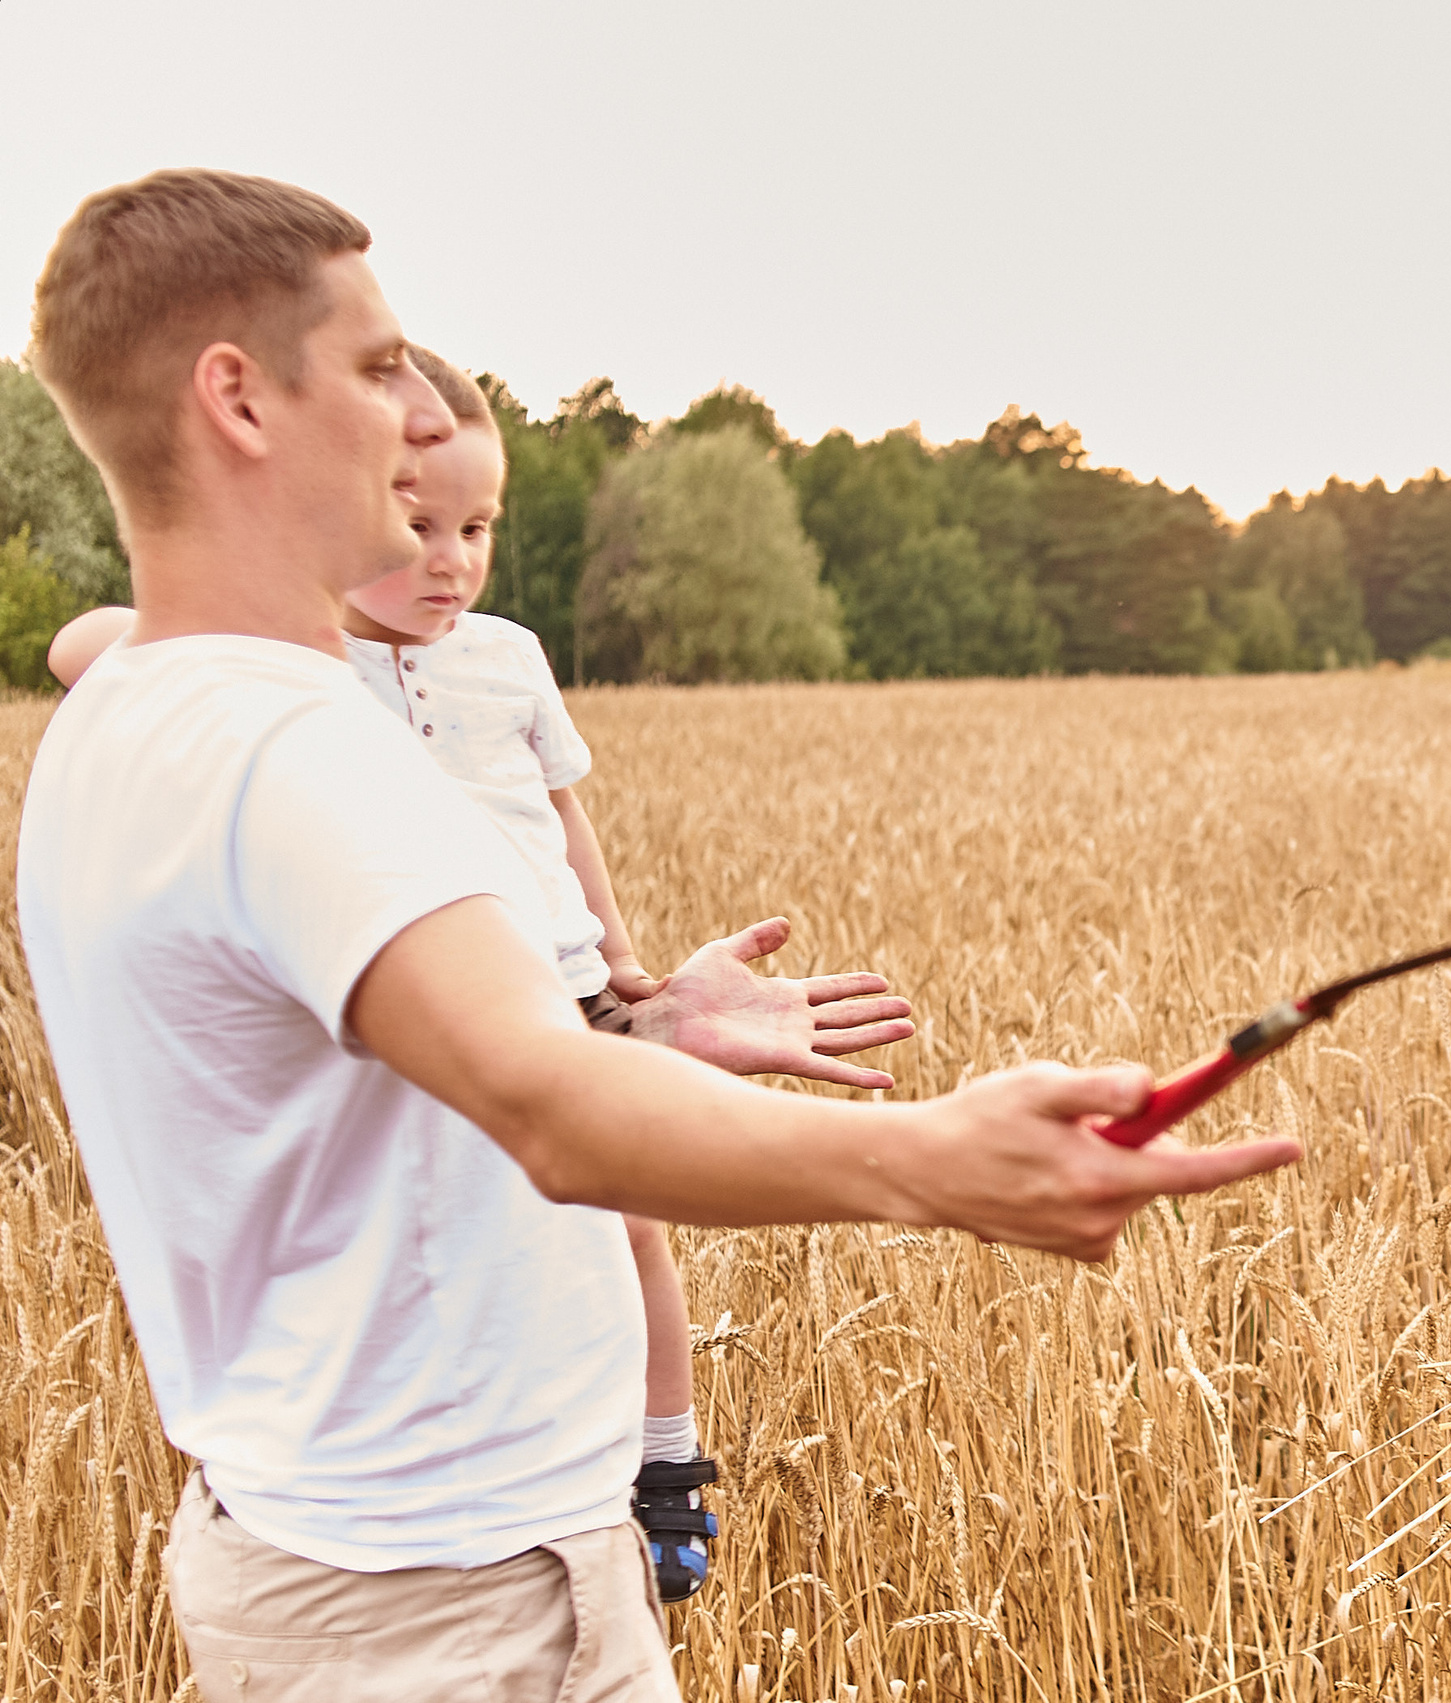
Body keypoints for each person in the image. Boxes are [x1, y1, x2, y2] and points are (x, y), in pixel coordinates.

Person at [17, 167, 1300, 1703]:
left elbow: (389, 1089)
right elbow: (551, 1118)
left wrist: (635, 1024)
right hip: (461, 1599)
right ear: (237, 397)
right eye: (373, 367)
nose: (414, 414)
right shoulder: (309, 757)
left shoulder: (126, 720)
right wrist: (937, 1162)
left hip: (317, 1557)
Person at [42, 347, 870, 1603]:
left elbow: (561, 818)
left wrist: (624, 959)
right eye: (416, 524)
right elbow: (80, 643)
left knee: (627, 1223)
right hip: (430, 1000)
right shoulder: (293, 661)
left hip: (563, 984)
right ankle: (432, 1484)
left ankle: (661, 1467)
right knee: (453, 1233)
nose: (449, 559)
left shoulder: (511, 655)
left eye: (477, 526)